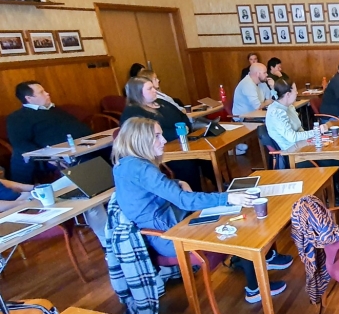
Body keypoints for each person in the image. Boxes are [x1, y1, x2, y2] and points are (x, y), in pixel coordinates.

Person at [111, 118, 292, 303]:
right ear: (140, 139)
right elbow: (183, 200)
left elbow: (152, 188)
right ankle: (255, 289)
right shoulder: (141, 168)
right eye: (157, 136)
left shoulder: (126, 164)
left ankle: (252, 260)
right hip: (167, 235)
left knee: (232, 215)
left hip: (165, 224)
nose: (164, 140)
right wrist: (227, 197)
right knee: (237, 224)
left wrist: (177, 182)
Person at [265, 80, 339, 205]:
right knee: (331, 159)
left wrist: (313, 139)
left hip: (302, 146)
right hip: (293, 154)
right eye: (295, 90)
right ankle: (333, 196)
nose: (297, 92)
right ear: (287, 95)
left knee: (334, 150)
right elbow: (292, 137)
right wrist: (316, 132)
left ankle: (336, 191)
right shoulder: (276, 112)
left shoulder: (289, 107)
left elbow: (300, 129)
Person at [120, 77, 207, 191]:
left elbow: (182, 116)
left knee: (206, 158)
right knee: (187, 165)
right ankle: (193, 198)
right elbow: (148, 135)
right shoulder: (132, 112)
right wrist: (176, 132)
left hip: (182, 143)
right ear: (138, 93)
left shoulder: (162, 103)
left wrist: (185, 127)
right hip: (159, 151)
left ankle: (220, 188)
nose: (155, 90)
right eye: (150, 88)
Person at [7, 81, 94, 183]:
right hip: (56, 156)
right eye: (42, 92)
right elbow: (20, 143)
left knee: (112, 151)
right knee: (88, 163)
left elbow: (77, 127)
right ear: (29, 98)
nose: (47, 94)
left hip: (83, 145)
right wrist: (48, 157)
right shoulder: (17, 118)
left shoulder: (55, 110)